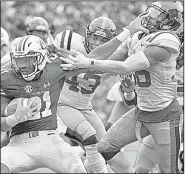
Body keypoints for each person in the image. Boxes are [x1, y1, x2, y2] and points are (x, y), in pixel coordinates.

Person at [60, 1, 183, 173]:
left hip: (164, 115)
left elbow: (125, 66)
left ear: (171, 22)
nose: (151, 17)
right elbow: (111, 57)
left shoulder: (166, 43)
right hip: (141, 111)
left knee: (168, 171)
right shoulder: (139, 36)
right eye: (153, 12)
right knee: (104, 147)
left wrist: (88, 62)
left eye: (159, 15)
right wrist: (85, 62)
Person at [54, 17, 134, 173]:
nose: (97, 43)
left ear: (110, 42)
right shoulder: (70, 43)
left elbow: (130, 101)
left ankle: (85, 165)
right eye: (94, 38)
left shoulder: (114, 58)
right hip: (61, 106)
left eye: (102, 40)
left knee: (112, 154)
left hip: (85, 108)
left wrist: (129, 89)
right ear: (86, 35)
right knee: (88, 141)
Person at [1, 35, 87, 173]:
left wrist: (62, 52)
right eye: (19, 60)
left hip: (51, 139)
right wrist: (16, 117)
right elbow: (1, 125)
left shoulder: (55, 68)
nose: (23, 66)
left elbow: (88, 61)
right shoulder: (6, 78)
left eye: (28, 60)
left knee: (77, 169)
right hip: (19, 144)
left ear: (41, 57)